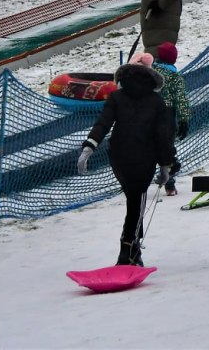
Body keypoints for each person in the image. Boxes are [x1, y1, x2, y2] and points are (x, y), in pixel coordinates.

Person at [77, 60, 176, 267]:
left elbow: (103, 123)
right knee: (136, 201)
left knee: (134, 200)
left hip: (119, 158)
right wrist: (165, 165)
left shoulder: (116, 97)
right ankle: (129, 250)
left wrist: (89, 147)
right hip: (145, 159)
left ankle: (130, 248)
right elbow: (162, 136)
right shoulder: (156, 101)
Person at [151, 42, 191, 196]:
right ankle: (170, 185)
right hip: (166, 115)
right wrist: (184, 120)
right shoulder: (174, 76)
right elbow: (181, 99)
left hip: (148, 113)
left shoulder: (149, 71)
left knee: (148, 146)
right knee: (167, 147)